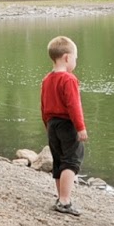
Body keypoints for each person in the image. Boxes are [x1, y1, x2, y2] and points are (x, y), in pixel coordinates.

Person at [41, 35, 88, 216]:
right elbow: (74, 105)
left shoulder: (47, 79)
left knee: (59, 161)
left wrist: (47, 124)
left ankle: (61, 197)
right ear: (67, 57)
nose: (76, 61)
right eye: (75, 58)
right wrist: (80, 127)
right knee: (71, 161)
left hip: (52, 124)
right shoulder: (68, 79)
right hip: (67, 124)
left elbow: (43, 105)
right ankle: (65, 201)